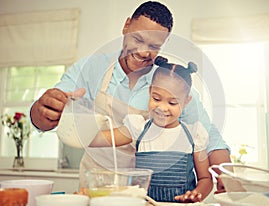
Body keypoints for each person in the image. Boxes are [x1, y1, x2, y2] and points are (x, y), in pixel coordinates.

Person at [29, 1, 230, 192]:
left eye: (153, 47)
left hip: (143, 187)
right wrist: (44, 110)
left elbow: (209, 136)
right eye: (138, 39)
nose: (143, 51)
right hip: (96, 180)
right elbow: (47, 115)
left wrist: (225, 173)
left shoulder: (169, 83)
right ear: (126, 26)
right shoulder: (91, 69)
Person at [90, 56, 213, 203]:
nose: (162, 108)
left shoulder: (194, 134)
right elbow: (100, 139)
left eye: (172, 103)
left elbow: (206, 179)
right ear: (150, 92)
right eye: (156, 98)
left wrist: (196, 194)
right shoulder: (138, 128)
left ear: (186, 102)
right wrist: (75, 128)